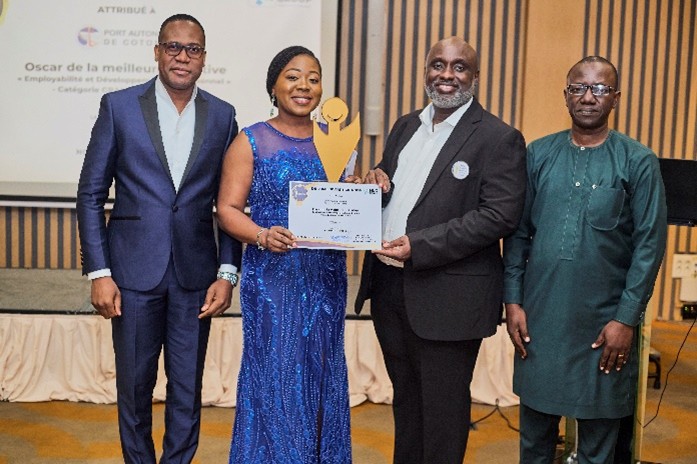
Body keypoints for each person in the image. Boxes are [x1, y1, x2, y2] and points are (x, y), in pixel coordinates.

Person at [76, 14, 242, 464]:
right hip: (130, 275)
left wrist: (227, 272)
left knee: (187, 389)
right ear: (157, 52)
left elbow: (231, 202)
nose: (182, 57)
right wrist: (99, 272)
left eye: (193, 49)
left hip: (196, 277)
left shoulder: (223, 115)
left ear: (203, 58)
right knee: (134, 388)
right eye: (173, 47)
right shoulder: (119, 107)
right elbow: (90, 194)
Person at [354, 36, 527, 464]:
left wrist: (419, 245)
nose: (446, 75)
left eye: (459, 67)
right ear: (425, 70)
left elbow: (499, 216)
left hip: (449, 300)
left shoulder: (499, 138)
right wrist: (373, 183)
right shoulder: (405, 126)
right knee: (407, 406)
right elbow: (394, 190)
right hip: (390, 288)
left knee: (443, 418)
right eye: (438, 65)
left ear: (475, 76)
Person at [502, 56, 667, 463]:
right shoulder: (539, 154)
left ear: (616, 98)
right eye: (578, 88)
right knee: (534, 445)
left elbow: (649, 246)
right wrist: (513, 300)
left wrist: (625, 320)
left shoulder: (638, 161)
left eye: (600, 88)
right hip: (540, 323)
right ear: (566, 95)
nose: (588, 97)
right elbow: (518, 235)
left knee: (598, 449)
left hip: (604, 328)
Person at [216, 46, 353, 464]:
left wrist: (363, 190)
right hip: (273, 278)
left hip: (325, 278)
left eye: (313, 78)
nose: (304, 86)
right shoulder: (251, 140)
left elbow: (345, 206)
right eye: (293, 76)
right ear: (273, 86)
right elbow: (227, 209)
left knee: (321, 369)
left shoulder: (336, 142)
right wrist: (260, 235)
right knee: (277, 372)